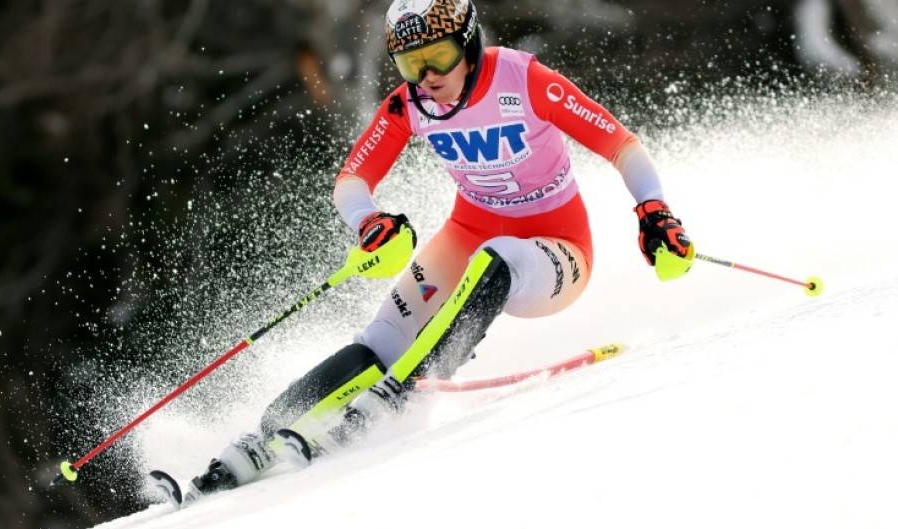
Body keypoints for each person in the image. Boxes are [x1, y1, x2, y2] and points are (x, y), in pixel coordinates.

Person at [181, 0, 692, 505]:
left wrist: (654, 210)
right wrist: (369, 222)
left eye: (439, 57)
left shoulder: (522, 78)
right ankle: (261, 437)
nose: (427, 76)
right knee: (384, 336)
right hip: (468, 233)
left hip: (559, 251)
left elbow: (621, 144)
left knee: (497, 256)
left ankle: (403, 392)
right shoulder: (409, 104)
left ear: (469, 45)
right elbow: (352, 179)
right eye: (411, 63)